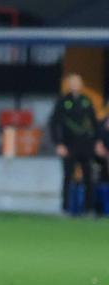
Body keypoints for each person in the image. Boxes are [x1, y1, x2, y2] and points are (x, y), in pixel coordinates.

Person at [50, 73, 98, 215]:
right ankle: (65, 208)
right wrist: (58, 144)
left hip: (85, 145)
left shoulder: (86, 101)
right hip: (69, 145)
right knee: (67, 177)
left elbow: (94, 123)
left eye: (78, 82)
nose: (75, 85)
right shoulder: (63, 102)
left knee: (88, 177)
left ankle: (89, 208)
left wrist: (96, 142)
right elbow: (54, 124)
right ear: (69, 85)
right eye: (73, 82)